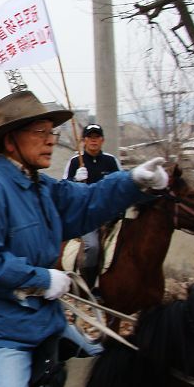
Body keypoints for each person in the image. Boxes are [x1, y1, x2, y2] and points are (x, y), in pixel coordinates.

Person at [0, 90, 168, 387]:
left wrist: (133, 182)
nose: (51, 141)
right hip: (3, 336)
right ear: (10, 142)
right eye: (40, 132)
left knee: (112, 375)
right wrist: (41, 279)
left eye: (51, 132)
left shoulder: (43, 188)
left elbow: (88, 201)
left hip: (48, 324)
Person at [62, 123, 122, 292]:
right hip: (87, 216)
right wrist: (75, 180)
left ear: (102, 140)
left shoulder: (111, 161)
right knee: (93, 246)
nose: (93, 141)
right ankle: (89, 284)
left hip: (111, 215)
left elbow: (120, 185)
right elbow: (63, 189)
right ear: (84, 141)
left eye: (97, 137)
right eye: (90, 137)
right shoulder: (75, 162)